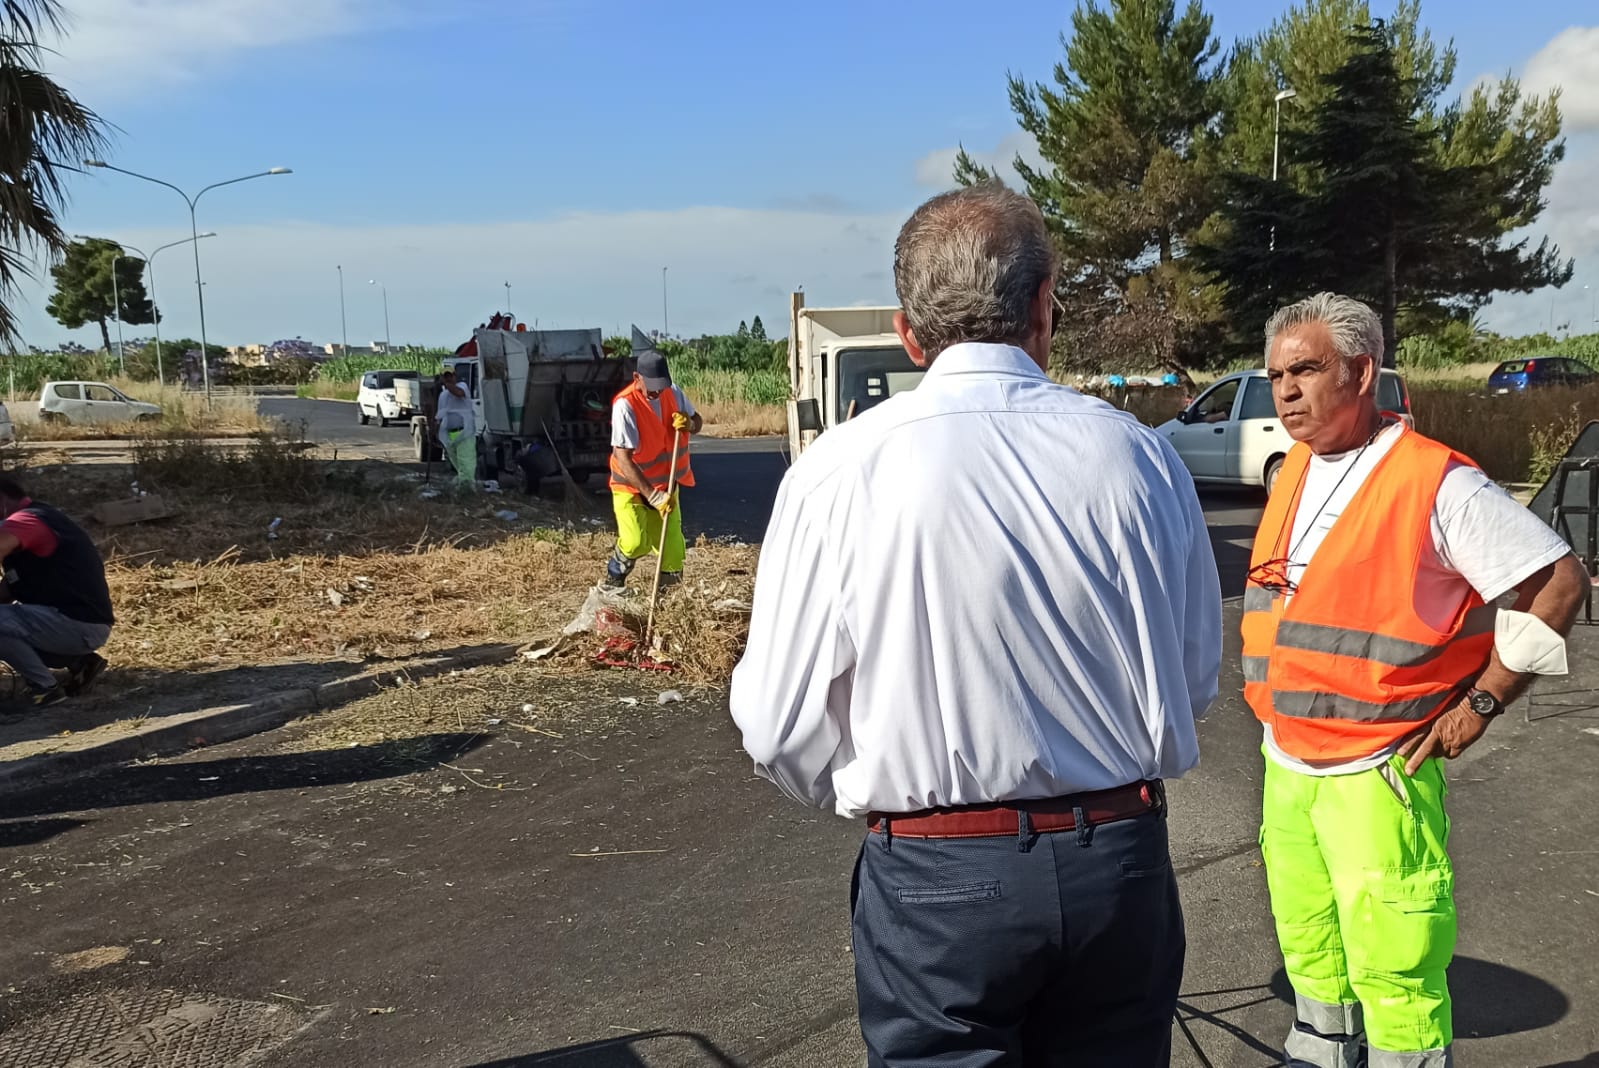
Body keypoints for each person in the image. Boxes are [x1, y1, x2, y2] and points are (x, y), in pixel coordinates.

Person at [729, 182, 1222, 1066]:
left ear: (907, 330)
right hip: (1118, 857)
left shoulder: (839, 471)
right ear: (1043, 308)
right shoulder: (1140, 457)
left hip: (938, 872)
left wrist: (868, 797)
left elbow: (777, 725)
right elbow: (1190, 679)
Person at [1243, 293, 1589, 1068]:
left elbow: (1558, 582)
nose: (1286, 391)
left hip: (1377, 768)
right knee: (1310, 940)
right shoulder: (1295, 469)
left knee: (1395, 961)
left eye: (1305, 370)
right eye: (1274, 376)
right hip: (1287, 758)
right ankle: (1320, 1052)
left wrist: (1482, 701)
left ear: (1361, 372)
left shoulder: (1433, 482)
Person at [0, 476, 112, 707]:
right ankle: (80, 662)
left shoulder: (27, 520)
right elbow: (9, 590)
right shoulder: (38, 520)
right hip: (77, 622)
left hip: (76, 623)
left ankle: (46, 689)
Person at [603, 334, 701, 589]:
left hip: (667, 487)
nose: (657, 391)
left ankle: (666, 604)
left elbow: (698, 421)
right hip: (631, 488)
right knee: (636, 541)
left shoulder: (673, 392)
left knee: (673, 553)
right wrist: (652, 496)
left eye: (662, 385)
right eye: (652, 386)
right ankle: (613, 580)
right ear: (637, 379)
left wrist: (689, 423)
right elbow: (622, 458)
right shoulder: (625, 405)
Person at [435, 368, 477, 487]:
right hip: (451, 434)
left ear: (455, 376)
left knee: (466, 462)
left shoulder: (462, 386)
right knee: (457, 463)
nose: (448, 378)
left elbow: (458, 393)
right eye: (446, 376)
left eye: (450, 376)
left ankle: (467, 488)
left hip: (465, 433)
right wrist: (435, 429)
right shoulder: (443, 395)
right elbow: (440, 415)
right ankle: (463, 485)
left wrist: (447, 385)